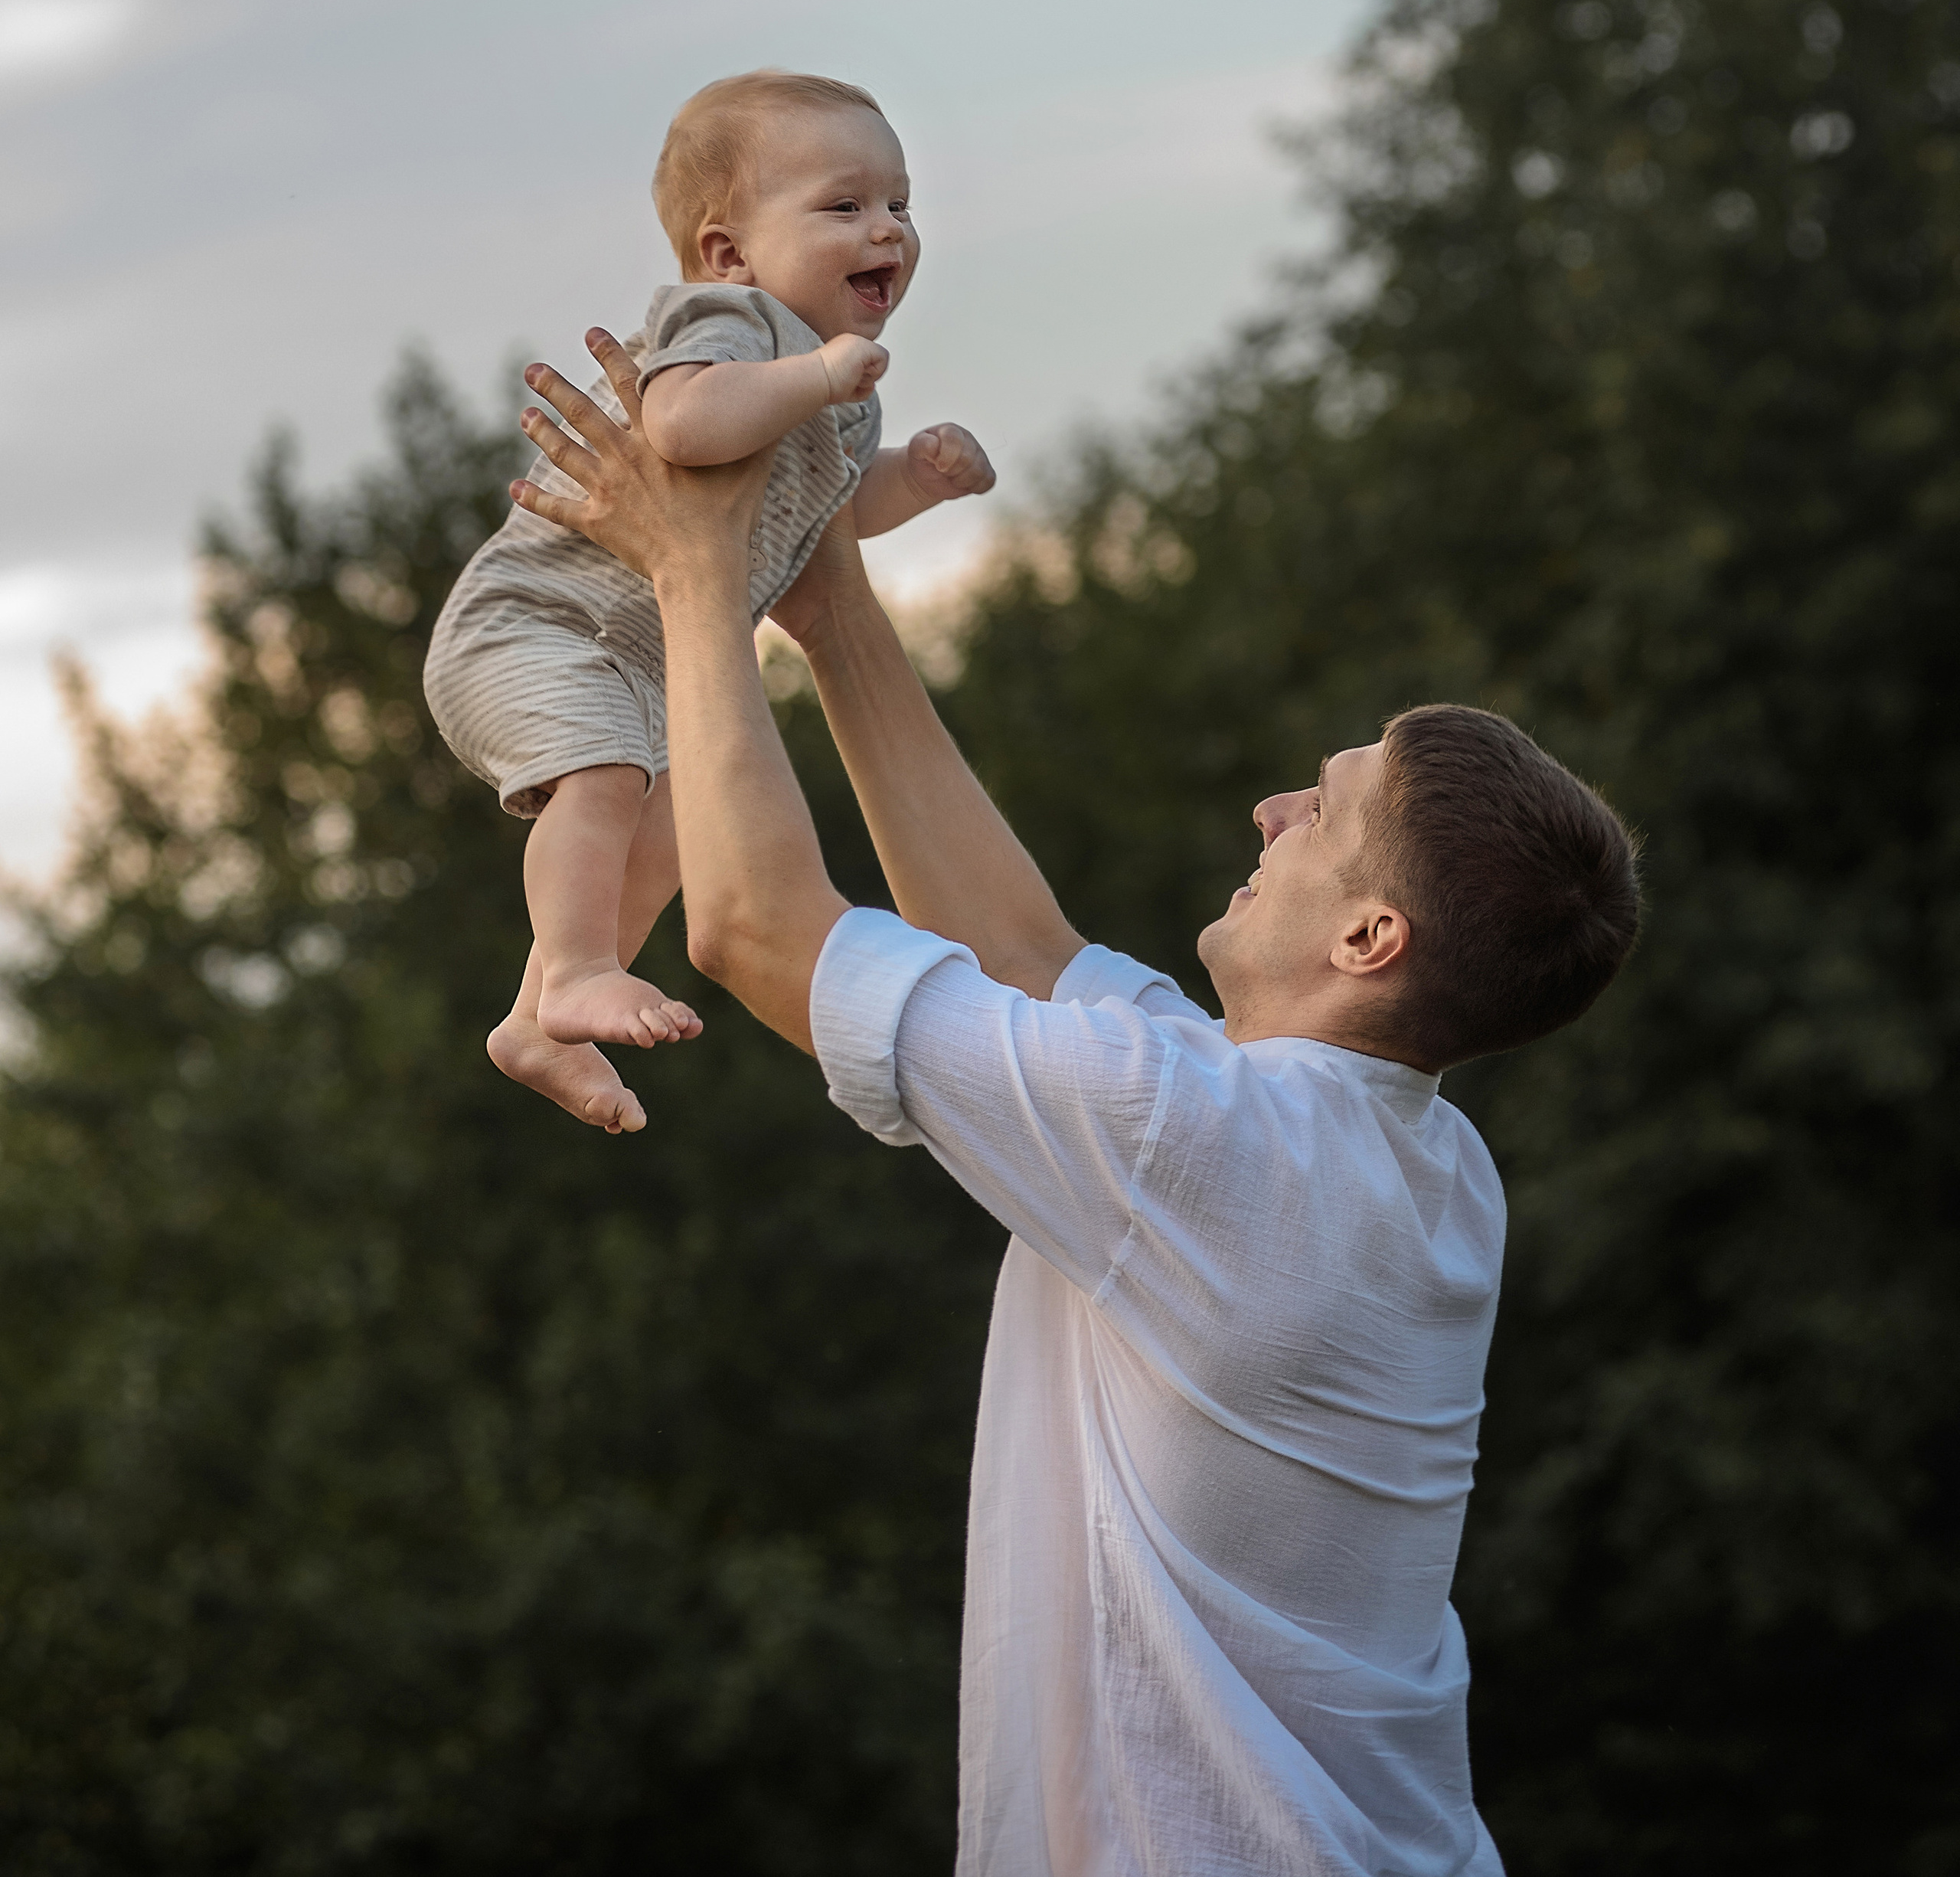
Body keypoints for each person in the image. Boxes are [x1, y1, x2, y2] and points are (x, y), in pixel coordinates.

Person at [511, 330, 1642, 1877]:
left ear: (1369, 939)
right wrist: (824, 599)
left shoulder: (1198, 1139)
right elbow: (1025, 959)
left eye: (1327, 811)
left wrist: (694, 570)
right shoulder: (1412, 1159)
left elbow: (757, 934)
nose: (1274, 810)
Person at [423, 70, 995, 1137]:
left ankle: (539, 1018)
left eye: (900, 205)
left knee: (686, 817)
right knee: (603, 779)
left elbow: (825, 520)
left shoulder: (833, 395)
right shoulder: (725, 321)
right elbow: (684, 424)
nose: (888, 230)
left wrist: (916, 474)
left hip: (632, 661)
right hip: (538, 626)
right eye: (845, 206)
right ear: (728, 250)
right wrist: (822, 376)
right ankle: (580, 971)